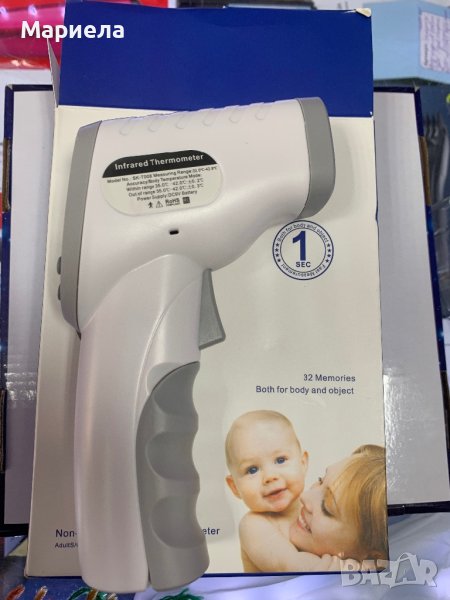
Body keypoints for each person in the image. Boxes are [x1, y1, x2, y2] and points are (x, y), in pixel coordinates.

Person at [238, 444, 388, 573]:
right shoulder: (259, 526)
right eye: (320, 481)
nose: (304, 496)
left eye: (326, 507)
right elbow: (295, 565)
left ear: (372, 559)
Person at [225, 410, 309, 571]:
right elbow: (292, 566)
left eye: (280, 460)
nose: (270, 476)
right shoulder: (253, 526)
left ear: (302, 463)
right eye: (252, 469)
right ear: (234, 487)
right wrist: (343, 568)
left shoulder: (314, 509)